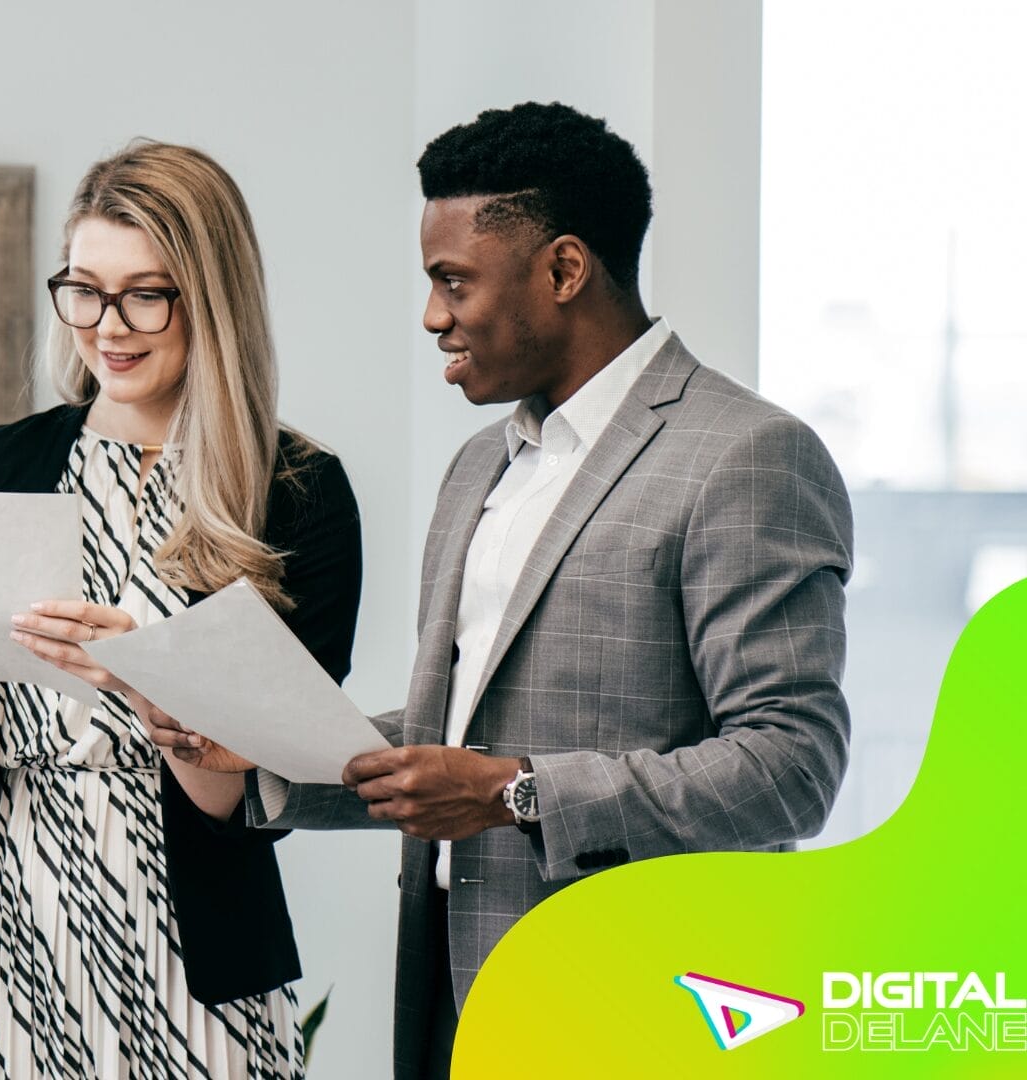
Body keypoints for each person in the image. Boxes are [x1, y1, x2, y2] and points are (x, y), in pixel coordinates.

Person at [158, 102, 854, 1078]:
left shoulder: (746, 456)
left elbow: (790, 766)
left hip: (636, 1002)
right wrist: (262, 752)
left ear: (564, 270)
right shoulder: (480, 466)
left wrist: (514, 793)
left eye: (454, 281)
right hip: (453, 989)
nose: (433, 316)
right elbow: (452, 737)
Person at [0, 141, 364, 1079]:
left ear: (212, 297)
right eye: (85, 290)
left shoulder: (296, 493)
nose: (108, 326)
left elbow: (254, 795)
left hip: (194, 944)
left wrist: (150, 677)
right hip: (3, 926)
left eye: (146, 294)